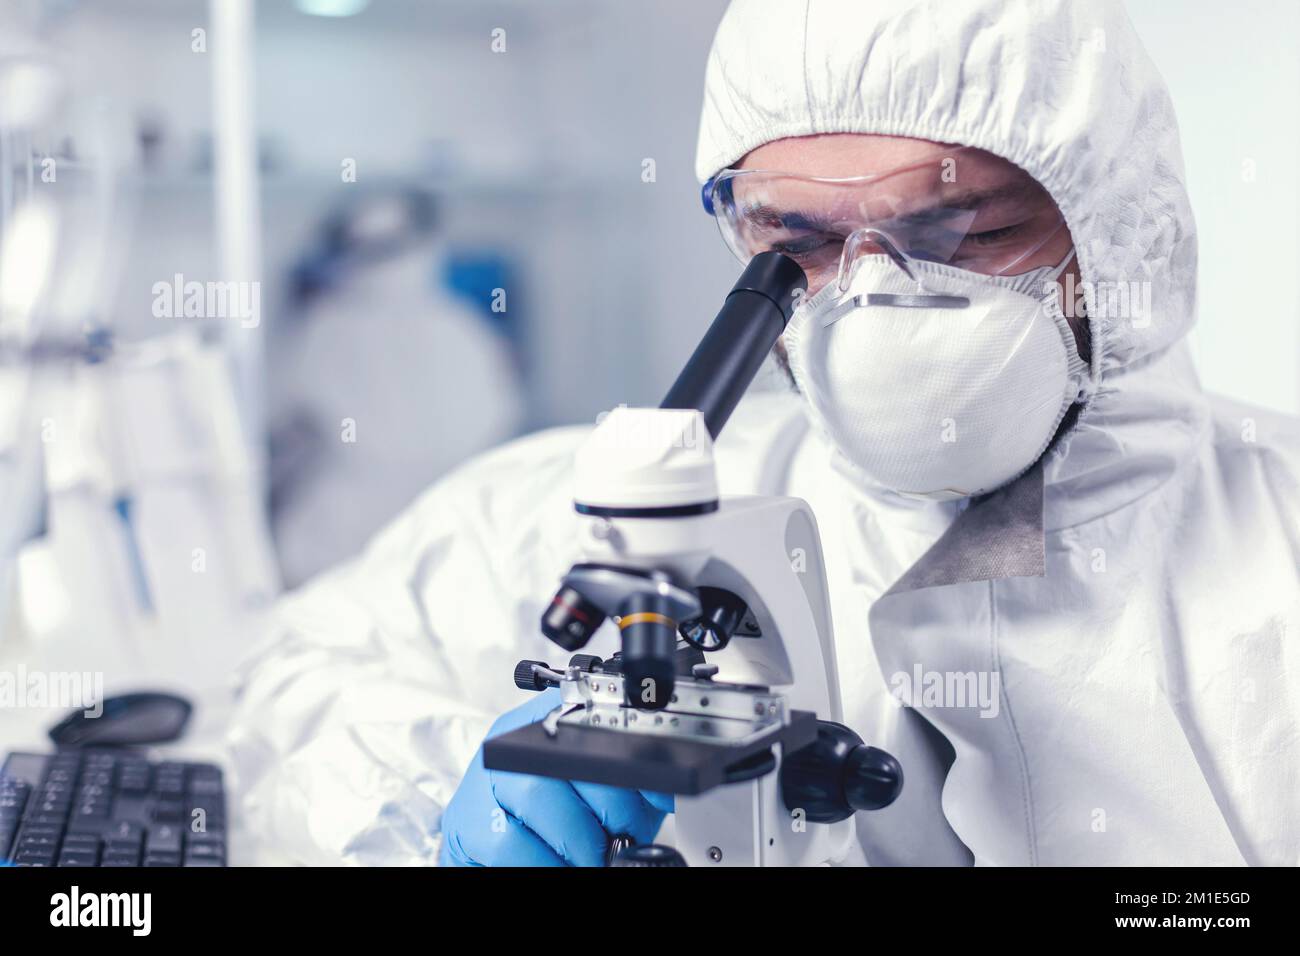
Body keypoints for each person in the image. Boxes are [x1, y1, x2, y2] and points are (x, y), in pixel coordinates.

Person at [227, 0, 1300, 866]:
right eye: (801, 244)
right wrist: (425, 806)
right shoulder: (604, 504)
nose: (876, 300)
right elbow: (295, 677)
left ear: (1119, 234)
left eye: (959, 229)